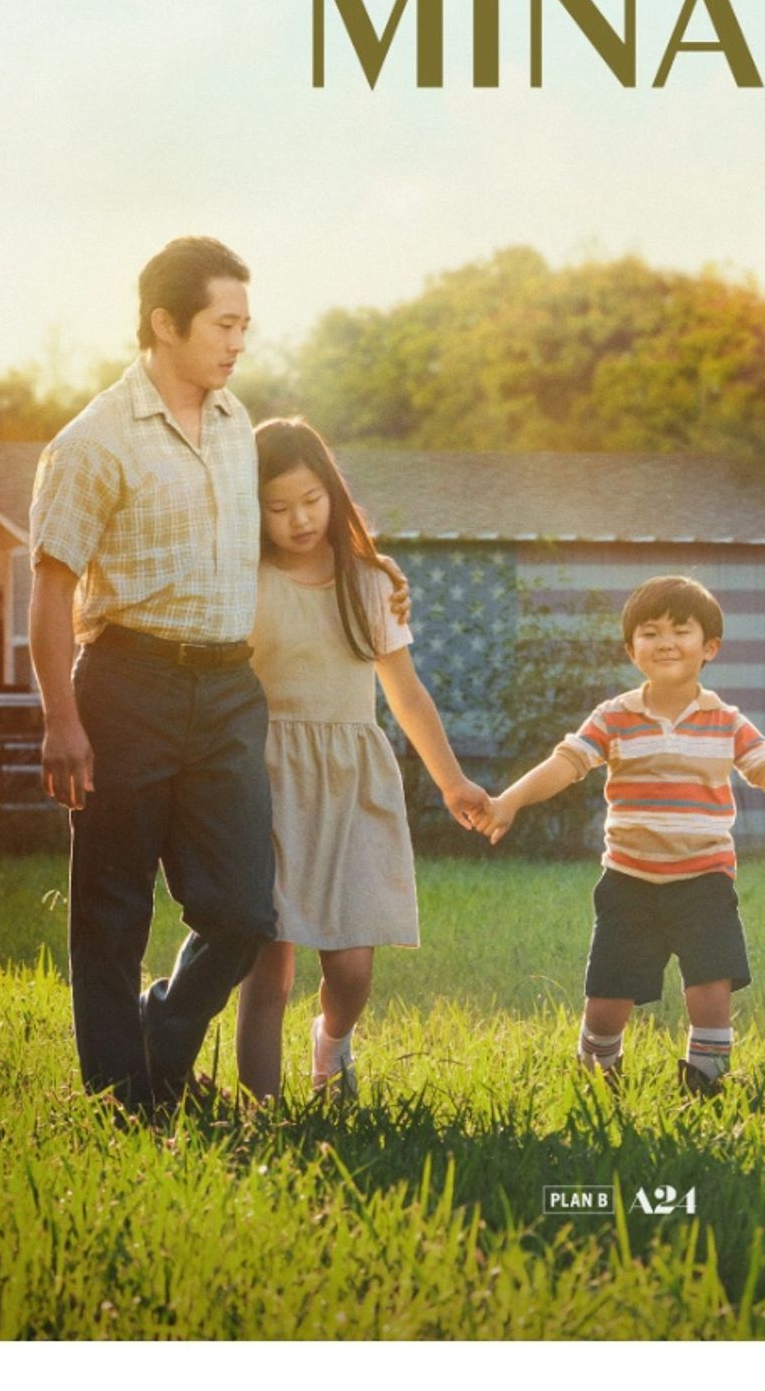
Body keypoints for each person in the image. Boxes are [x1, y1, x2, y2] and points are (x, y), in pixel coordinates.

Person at [28, 236, 411, 1114]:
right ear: (166, 323)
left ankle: (161, 1035)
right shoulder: (92, 442)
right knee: (113, 908)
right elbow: (49, 589)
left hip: (231, 690)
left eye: (246, 324)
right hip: (128, 684)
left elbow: (304, 509)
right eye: (223, 324)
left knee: (244, 908)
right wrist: (61, 719)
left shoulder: (240, 424)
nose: (239, 341)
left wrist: (371, 568)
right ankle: (126, 1097)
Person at [471, 574, 765, 1093]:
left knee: (710, 991)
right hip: (629, 881)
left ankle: (705, 1085)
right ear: (630, 648)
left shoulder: (727, 722)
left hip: (704, 882)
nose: (665, 641)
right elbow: (566, 763)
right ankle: (598, 1077)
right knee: (607, 1001)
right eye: (650, 632)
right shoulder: (615, 717)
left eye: (680, 630)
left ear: (709, 646)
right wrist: (509, 800)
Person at [234, 419, 488, 1102]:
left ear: (333, 493)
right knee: (267, 969)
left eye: (312, 499)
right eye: (278, 506)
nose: (299, 519)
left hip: (350, 783)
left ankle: (332, 1043)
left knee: (350, 964)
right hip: (265, 782)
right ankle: (262, 1110)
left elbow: (405, 693)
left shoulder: (370, 583)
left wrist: (453, 780)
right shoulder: (243, 582)